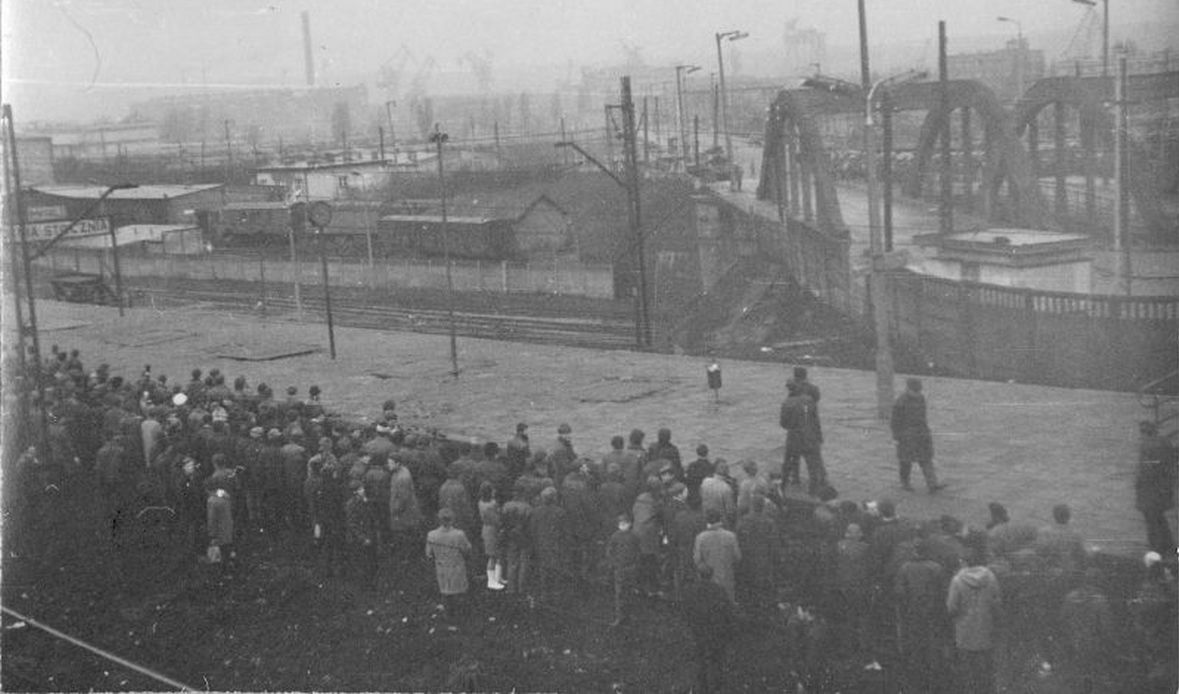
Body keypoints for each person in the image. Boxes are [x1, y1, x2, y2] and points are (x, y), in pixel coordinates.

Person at [946, 538, 1002, 694]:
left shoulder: (957, 580)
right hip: (985, 631)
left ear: (965, 561)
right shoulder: (990, 577)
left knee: (968, 675)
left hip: (964, 633)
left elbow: (951, 608)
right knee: (986, 673)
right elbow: (997, 604)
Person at [681, 564, 738, 694]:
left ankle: (702, 687)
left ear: (698, 574)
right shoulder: (719, 590)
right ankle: (716, 687)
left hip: (698, 630)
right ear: (711, 575)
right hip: (715, 630)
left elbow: (686, 611)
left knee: (700, 659)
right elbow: (727, 611)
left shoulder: (691, 591)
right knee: (716, 659)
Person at [890, 378, 946, 493]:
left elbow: (923, 417)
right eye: (915, 391)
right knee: (906, 461)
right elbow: (895, 422)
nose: (917, 393)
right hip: (906, 436)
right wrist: (897, 437)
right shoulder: (900, 402)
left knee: (926, 459)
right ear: (908, 389)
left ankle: (932, 483)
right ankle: (905, 482)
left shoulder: (921, 398)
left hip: (921, 434)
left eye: (919, 391)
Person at [1136, 420, 1177, 554]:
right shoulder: (1165, 443)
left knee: (1152, 520)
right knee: (1159, 518)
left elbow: (1146, 471)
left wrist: (1138, 485)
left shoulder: (1147, 446)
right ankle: (1168, 545)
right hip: (1163, 490)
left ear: (1144, 432)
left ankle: (1156, 549)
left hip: (1150, 491)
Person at [780, 381, 826, 495]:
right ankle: (813, 491)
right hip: (810, 437)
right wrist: (819, 436)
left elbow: (783, 424)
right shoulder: (809, 400)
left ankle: (784, 487)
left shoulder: (787, 403)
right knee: (812, 466)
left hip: (794, 438)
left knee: (788, 463)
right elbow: (816, 421)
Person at [426, 508, 473, 620]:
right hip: (457, 566)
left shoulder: (432, 535)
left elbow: (428, 553)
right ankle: (461, 615)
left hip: (441, 567)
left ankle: (449, 614)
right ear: (452, 519)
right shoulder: (459, 534)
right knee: (459, 590)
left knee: (446, 591)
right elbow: (467, 549)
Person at [694, 509, 741, 603]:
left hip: (709, 582)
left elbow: (697, 560)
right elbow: (737, 557)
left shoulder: (701, 537)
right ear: (720, 519)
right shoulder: (731, 536)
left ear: (707, 520)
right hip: (727, 578)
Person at [605, 513, 641, 626]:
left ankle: (626, 616)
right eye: (620, 523)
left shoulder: (630, 536)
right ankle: (622, 616)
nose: (622, 525)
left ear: (629, 524)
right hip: (623, 568)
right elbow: (610, 551)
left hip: (626, 568)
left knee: (626, 592)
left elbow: (637, 552)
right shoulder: (628, 536)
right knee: (621, 593)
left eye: (624, 523)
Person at [345, 479, 379, 588]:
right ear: (355, 492)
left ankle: (370, 582)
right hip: (359, 539)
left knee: (370, 561)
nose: (363, 490)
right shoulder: (351, 505)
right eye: (360, 489)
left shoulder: (364, 501)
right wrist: (363, 538)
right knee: (362, 562)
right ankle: (364, 585)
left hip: (368, 535)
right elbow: (352, 524)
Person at [477, 482, 506, 590]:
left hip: (486, 528)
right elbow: (496, 519)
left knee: (497, 554)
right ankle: (491, 580)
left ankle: (497, 577)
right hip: (493, 530)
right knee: (493, 555)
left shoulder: (480, 502)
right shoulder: (492, 504)